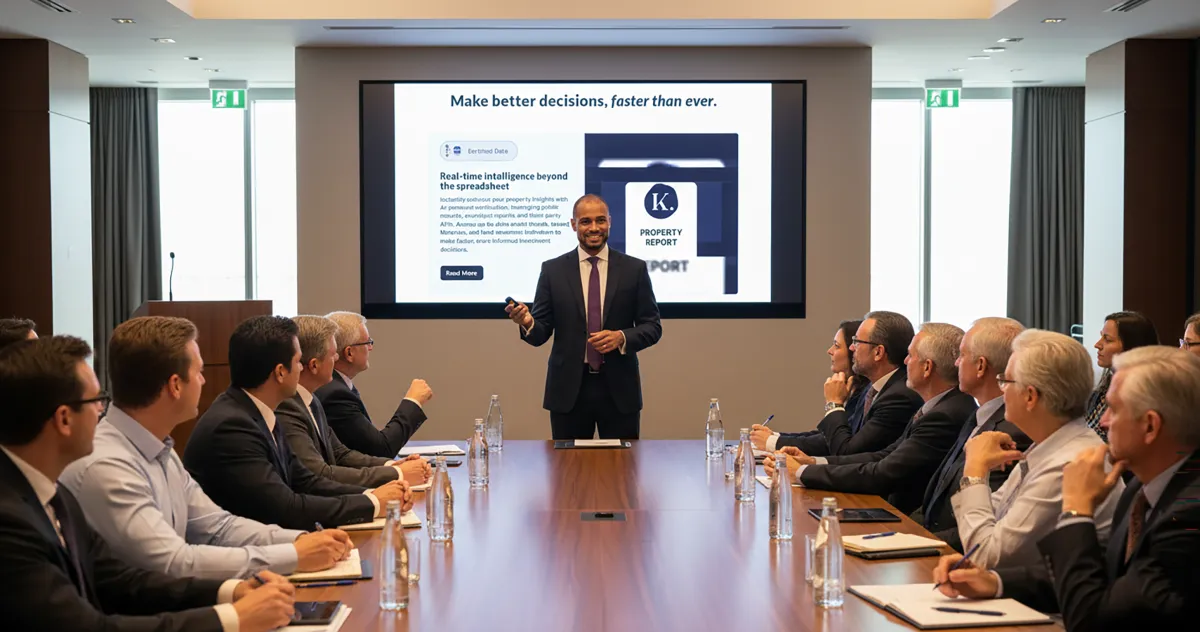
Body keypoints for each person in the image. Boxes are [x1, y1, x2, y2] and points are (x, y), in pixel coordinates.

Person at [0, 335, 297, 632]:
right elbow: (86, 627)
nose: (101, 411)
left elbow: (121, 580)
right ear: (64, 419)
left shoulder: (52, 493)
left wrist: (231, 591)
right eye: (96, 401)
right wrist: (233, 618)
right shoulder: (10, 520)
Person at [60, 316, 353, 580]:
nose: (204, 380)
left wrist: (298, 541)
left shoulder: (159, 449)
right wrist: (294, 555)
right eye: (199, 372)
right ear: (175, 385)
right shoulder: (108, 466)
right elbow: (174, 562)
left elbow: (217, 527)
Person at [933, 346, 1200, 631]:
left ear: (1149, 426)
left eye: (1114, 408)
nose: (1104, 421)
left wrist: (1076, 510)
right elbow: (1103, 573)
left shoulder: (1188, 516)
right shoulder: (1142, 487)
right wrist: (996, 582)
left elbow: (1092, 621)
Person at [183, 316, 412, 531]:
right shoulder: (233, 426)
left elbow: (306, 481)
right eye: (297, 362)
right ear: (280, 373)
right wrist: (372, 502)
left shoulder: (259, 410)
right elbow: (286, 506)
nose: (302, 368)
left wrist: (375, 495)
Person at [952, 329, 1123, 569]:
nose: (1002, 390)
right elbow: (993, 516)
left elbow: (986, 556)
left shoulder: (1068, 462)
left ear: (1030, 396)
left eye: (1006, 381)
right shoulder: (1047, 444)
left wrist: (974, 470)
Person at [764, 323, 977, 513]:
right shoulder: (936, 405)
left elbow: (880, 471)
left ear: (927, 367)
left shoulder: (942, 413)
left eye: (910, 356)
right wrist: (812, 462)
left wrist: (802, 471)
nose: (905, 361)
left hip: (903, 515)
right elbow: (882, 456)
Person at [505, 193, 663, 440]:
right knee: (568, 474)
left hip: (620, 390)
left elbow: (652, 326)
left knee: (622, 473)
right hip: (568, 392)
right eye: (586, 221)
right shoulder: (552, 270)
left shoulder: (634, 269)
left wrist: (621, 337)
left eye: (600, 220)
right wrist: (527, 322)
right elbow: (541, 332)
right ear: (573, 225)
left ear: (610, 222)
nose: (594, 228)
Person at [914, 317, 1031, 550]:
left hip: (956, 555)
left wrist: (916, 541)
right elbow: (936, 499)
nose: (956, 363)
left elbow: (988, 516)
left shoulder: (1012, 432)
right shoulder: (979, 414)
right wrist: (902, 530)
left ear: (980, 366)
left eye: (962, 355)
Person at [279, 315, 430, 487]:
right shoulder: (290, 406)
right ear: (314, 365)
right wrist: (398, 473)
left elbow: (340, 454)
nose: (336, 358)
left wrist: (393, 465)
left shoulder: (311, 399)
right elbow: (319, 474)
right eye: (332, 354)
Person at [781, 311, 922, 456]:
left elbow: (846, 451)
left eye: (857, 342)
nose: (851, 348)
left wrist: (834, 404)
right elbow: (845, 439)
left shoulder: (899, 398)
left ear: (878, 352)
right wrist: (808, 464)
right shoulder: (872, 389)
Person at [315, 311, 433, 458]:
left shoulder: (339, 385)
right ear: (349, 353)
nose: (370, 348)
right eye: (367, 342)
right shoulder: (335, 394)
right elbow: (381, 450)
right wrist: (413, 401)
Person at [752, 320, 868, 451]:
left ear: (853, 351)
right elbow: (826, 435)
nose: (829, 351)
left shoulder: (867, 394)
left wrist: (834, 404)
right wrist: (775, 436)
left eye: (836, 345)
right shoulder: (856, 388)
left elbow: (835, 444)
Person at [1088, 311, 1158, 441]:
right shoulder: (1107, 380)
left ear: (1132, 347)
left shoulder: (1142, 394)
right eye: (1101, 337)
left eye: (1107, 340)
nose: (1097, 345)